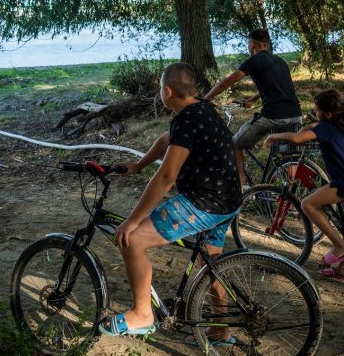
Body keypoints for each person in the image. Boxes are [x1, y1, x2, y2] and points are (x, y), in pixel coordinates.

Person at [98, 62, 242, 340]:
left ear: (167, 91)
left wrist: (132, 220)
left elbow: (166, 177)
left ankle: (141, 314)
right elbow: (168, 139)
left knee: (134, 239)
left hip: (205, 204)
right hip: (228, 200)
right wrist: (139, 165)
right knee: (209, 261)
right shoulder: (201, 109)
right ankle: (220, 329)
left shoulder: (187, 118)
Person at [264, 89, 344, 280]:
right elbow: (310, 128)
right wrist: (312, 125)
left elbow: (296, 139)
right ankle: (343, 269)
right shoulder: (339, 125)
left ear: (327, 114)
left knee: (307, 204)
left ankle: (340, 246)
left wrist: (274, 137)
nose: (314, 111)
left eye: (317, 109)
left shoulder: (326, 129)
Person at [204, 28, 303, 187]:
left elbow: (226, 82)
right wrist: (252, 98)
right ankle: (290, 196)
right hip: (296, 114)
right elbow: (278, 86)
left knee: (235, 143)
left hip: (273, 116)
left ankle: (239, 186)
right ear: (267, 45)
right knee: (288, 154)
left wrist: (206, 99)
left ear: (252, 45)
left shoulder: (254, 61)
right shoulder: (280, 62)